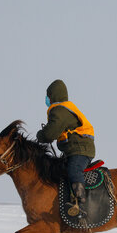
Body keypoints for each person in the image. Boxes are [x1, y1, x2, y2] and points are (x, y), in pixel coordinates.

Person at [36, 79, 95, 215]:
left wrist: (40, 135)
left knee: (74, 169)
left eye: (48, 96)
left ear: (53, 95)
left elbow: (50, 134)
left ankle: (81, 204)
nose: (46, 99)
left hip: (80, 150)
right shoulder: (63, 109)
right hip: (74, 149)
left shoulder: (59, 111)